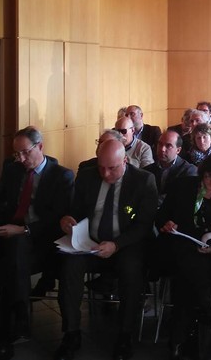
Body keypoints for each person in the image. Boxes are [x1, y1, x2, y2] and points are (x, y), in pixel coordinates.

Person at [55, 139, 157, 360]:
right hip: (90, 242)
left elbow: (143, 225)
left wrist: (116, 244)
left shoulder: (143, 180)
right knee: (69, 266)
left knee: (132, 269)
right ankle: (71, 333)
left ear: (125, 161)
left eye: (112, 168)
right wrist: (68, 219)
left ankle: (125, 335)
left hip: (126, 244)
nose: (106, 173)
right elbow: (76, 210)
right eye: (101, 167)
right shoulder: (87, 176)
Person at [0, 127, 74, 360]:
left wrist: (24, 230)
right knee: (12, 255)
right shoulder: (13, 169)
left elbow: (56, 217)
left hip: (41, 239)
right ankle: (18, 318)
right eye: (17, 154)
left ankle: (8, 332)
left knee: (12, 263)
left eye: (25, 152)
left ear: (40, 147)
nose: (21, 159)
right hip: (9, 232)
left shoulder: (61, 176)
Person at [156, 152, 211, 360]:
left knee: (188, 277)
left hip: (210, 257)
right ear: (203, 172)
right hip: (176, 247)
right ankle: (207, 313)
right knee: (189, 261)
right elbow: (161, 216)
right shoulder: (183, 187)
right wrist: (167, 224)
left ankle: (178, 340)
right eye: (209, 176)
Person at [144, 129, 197, 201]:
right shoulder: (147, 170)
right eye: (160, 144)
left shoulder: (188, 171)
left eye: (168, 146)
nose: (162, 149)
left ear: (178, 150)